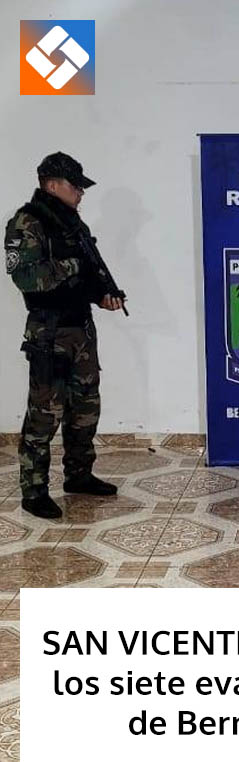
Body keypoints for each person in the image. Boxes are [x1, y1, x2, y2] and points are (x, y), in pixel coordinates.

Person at [5, 152, 123, 520]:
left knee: (85, 407)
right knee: (44, 413)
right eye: (76, 186)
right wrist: (72, 264)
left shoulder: (73, 223)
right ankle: (34, 490)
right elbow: (27, 278)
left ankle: (79, 475)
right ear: (52, 184)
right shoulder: (27, 222)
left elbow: (88, 275)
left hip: (80, 328)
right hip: (49, 331)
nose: (81, 193)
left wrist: (102, 295)